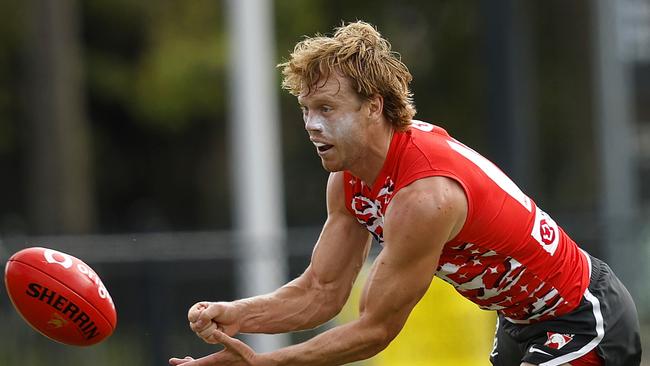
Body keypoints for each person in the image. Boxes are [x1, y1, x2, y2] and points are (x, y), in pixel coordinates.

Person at [169, 21, 642, 366]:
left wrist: (268, 363)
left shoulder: (425, 195)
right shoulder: (349, 177)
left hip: (580, 316)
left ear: (373, 107)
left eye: (327, 108)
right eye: (306, 109)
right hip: (520, 321)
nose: (312, 124)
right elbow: (322, 291)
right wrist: (237, 314)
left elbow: (375, 330)